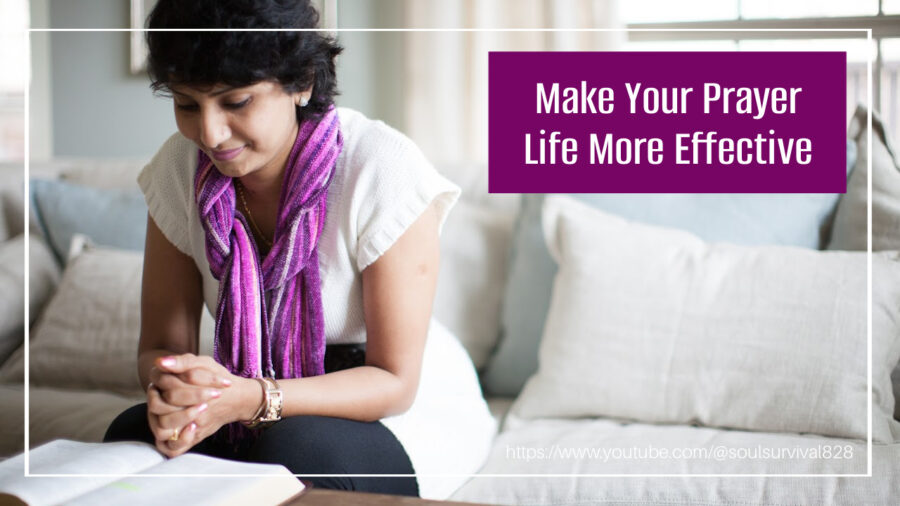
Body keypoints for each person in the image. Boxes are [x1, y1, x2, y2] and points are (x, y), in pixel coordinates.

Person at [103, 0, 495, 499]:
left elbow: (394, 382)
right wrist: (177, 391)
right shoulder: (178, 170)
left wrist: (252, 398)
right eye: (186, 104)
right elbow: (160, 348)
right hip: (244, 392)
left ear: (303, 82)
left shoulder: (382, 168)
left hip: (392, 407)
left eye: (236, 102)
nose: (209, 133)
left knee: (296, 453)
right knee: (131, 437)